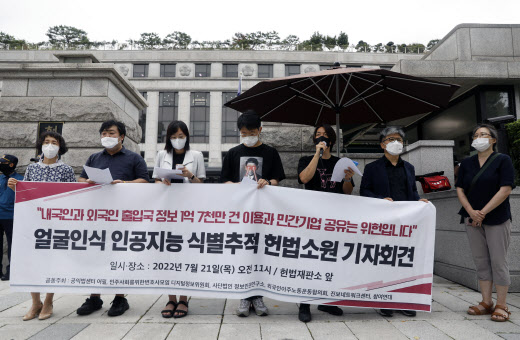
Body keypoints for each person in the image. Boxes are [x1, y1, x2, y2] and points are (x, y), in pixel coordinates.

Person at [76, 120, 149, 317]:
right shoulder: (94, 158)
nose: (106, 136)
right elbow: (81, 179)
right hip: (97, 215)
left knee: (119, 255)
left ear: (121, 136)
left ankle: (119, 298)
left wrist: (124, 183)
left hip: (123, 216)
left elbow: (145, 180)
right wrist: (87, 181)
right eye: (103, 133)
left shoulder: (134, 158)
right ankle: (94, 297)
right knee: (95, 254)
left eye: (111, 133)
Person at [221, 111, 285, 317]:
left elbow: (277, 179)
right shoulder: (232, 153)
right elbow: (225, 182)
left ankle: (257, 296)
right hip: (240, 213)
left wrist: (268, 182)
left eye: (250, 132)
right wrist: (238, 185)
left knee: (260, 253)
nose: (247, 136)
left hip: (264, 213)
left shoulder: (271, 152)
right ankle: (243, 295)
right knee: (243, 252)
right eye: (243, 133)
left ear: (260, 130)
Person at [360, 126, 428, 318]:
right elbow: (364, 191)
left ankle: (403, 300)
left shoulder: (409, 167)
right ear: (382, 144)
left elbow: (412, 193)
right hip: (384, 222)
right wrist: (380, 201)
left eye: (398, 139)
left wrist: (419, 201)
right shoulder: (372, 168)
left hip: (405, 223)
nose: (395, 142)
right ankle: (384, 300)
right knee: (384, 261)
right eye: (391, 139)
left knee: (403, 261)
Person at [8, 132, 76, 321]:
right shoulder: (31, 168)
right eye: (46, 142)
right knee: (32, 262)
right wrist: (16, 187)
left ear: (60, 147)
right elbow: (26, 193)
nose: (50, 145)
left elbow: (72, 197)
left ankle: (48, 301)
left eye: (54, 142)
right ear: (40, 145)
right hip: (33, 222)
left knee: (52, 261)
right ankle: (35, 301)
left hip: (56, 223)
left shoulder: (66, 170)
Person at [296, 124, 355, 323]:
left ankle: (327, 301)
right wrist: (317, 155)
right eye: (318, 135)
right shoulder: (306, 160)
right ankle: (305, 304)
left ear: (332, 139)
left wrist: (348, 178)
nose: (321, 137)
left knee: (331, 259)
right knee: (310, 259)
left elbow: (347, 192)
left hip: (334, 219)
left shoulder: (340, 162)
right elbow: (304, 178)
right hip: (311, 217)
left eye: (325, 135)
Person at [456, 124, 515, 322]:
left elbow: (505, 189)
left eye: (483, 134)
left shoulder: (502, 160)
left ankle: (502, 304)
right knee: (480, 261)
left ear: (493, 140)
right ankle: (486, 301)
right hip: (471, 218)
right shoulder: (467, 163)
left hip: (497, 217)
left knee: (499, 261)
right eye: (476, 135)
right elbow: (460, 189)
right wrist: (472, 212)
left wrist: (482, 212)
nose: (479, 137)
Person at [153, 120, 206, 318]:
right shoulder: (161, 155)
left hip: (188, 211)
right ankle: (171, 298)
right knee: (168, 253)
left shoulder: (197, 155)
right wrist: (162, 181)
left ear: (187, 136)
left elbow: (202, 185)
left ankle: (183, 299)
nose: (177, 140)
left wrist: (190, 175)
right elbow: (155, 179)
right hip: (167, 211)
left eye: (181, 136)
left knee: (185, 253)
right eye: (173, 137)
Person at [0, 155, 24, 281]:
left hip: (12, 216)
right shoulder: (0, 178)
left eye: (3, 162)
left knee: (12, 245)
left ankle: (11, 271)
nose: (1, 163)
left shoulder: (20, 180)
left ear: (11, 164)